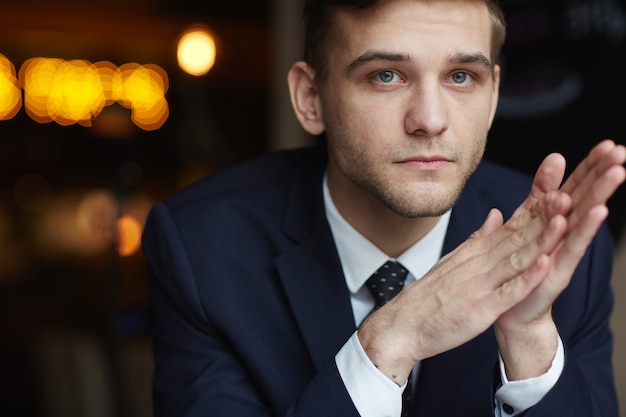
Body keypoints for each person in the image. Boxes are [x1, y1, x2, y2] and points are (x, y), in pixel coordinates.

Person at [141, 0, 626, 416]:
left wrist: (528, 342)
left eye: (461, 76)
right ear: (310, 99)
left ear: (494, 92)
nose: (431, 120)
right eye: (387, 75)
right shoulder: (201, 247)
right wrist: (392, 338)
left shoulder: (560, 249)